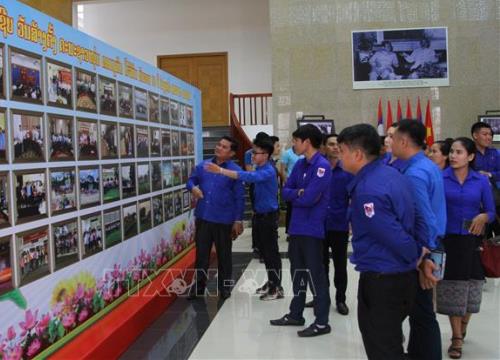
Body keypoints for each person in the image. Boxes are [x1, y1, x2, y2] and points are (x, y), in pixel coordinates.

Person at [338, 123, 425, 359]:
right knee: (390, 342)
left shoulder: (368, 190)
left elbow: (393, 236)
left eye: (342, 151)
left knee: (383, 348)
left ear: (357, 154)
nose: (339, 156)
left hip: (384, 279)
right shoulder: (390, 174)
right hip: (398, 276)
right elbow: (416, 219)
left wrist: (415, 256)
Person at [391, 119, 446, 360]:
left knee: (421, 312)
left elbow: (425, 220)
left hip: (423, 249)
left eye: (393, 138)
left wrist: (424, 258)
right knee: (420, 310)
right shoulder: (426, 165)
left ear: (404, 141)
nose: (390, 142)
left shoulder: (414, 174)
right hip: (430, 245)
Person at [270, 124, 332, 337]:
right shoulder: (299, 165)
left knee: (316, 276)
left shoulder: (322, 166)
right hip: (296, 228)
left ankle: (322, 322)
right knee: (298, 274)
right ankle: (296, 314)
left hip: (312, 230)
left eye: (296, 140)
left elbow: (309, 198)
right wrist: (298, 193)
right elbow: (284, 192)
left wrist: (297, 194)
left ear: (307, 142)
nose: (293, 144)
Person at [436, 137, 495, 359]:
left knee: (472, 289)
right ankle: (456, 337)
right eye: (451, 151)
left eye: (459, 152)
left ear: (470, 157)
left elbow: (490, 211)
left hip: (473, 241)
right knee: (453, 288)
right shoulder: (440, 178)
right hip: (449, 240)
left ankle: (464, 324)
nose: (453, 156)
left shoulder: (480, 181)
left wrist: (483, 215)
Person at [205, 137, 282, 301]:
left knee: (271, 253)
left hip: (268, 217)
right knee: (265, 253)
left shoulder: (269, 170)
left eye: (256, 153)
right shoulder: (259, 168)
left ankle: (277, 287)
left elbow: (246, 177)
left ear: (266, 154)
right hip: (260, 216)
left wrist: (220, 171)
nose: (252, 155)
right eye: (252, 152)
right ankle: (271, 282)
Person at [186, 136, 245, 300]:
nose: (219, 148)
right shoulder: (203, 166)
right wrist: (193, 188)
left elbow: (240, 198)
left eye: (224, 147)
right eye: (219, 144)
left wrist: (238, 220)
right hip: (204, 217)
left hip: (224, 219)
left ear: (232, 153)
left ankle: (225, 288)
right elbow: (190, 181)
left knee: (224, 255)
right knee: (201, 255)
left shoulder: (234, 171)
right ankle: (198, 287)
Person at [305, 133, 353, 315]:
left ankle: (341, 299)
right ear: (324, 147)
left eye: (337, 144)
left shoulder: (347, 171)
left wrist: (351, 222)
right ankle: (321, 298)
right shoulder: (317, 168)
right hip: (319, 225)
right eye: (331, 144)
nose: (335, 147)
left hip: (340, 225)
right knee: (320, 265)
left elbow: (353, 198)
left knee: (340, 265)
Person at [281, 140, 305, 237]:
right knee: (291, 209)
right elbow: (282, 170)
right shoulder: (287, 153)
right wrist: (287, 184)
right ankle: (289, 232)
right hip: (291, 184)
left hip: (302, 185)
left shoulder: (304, 153)